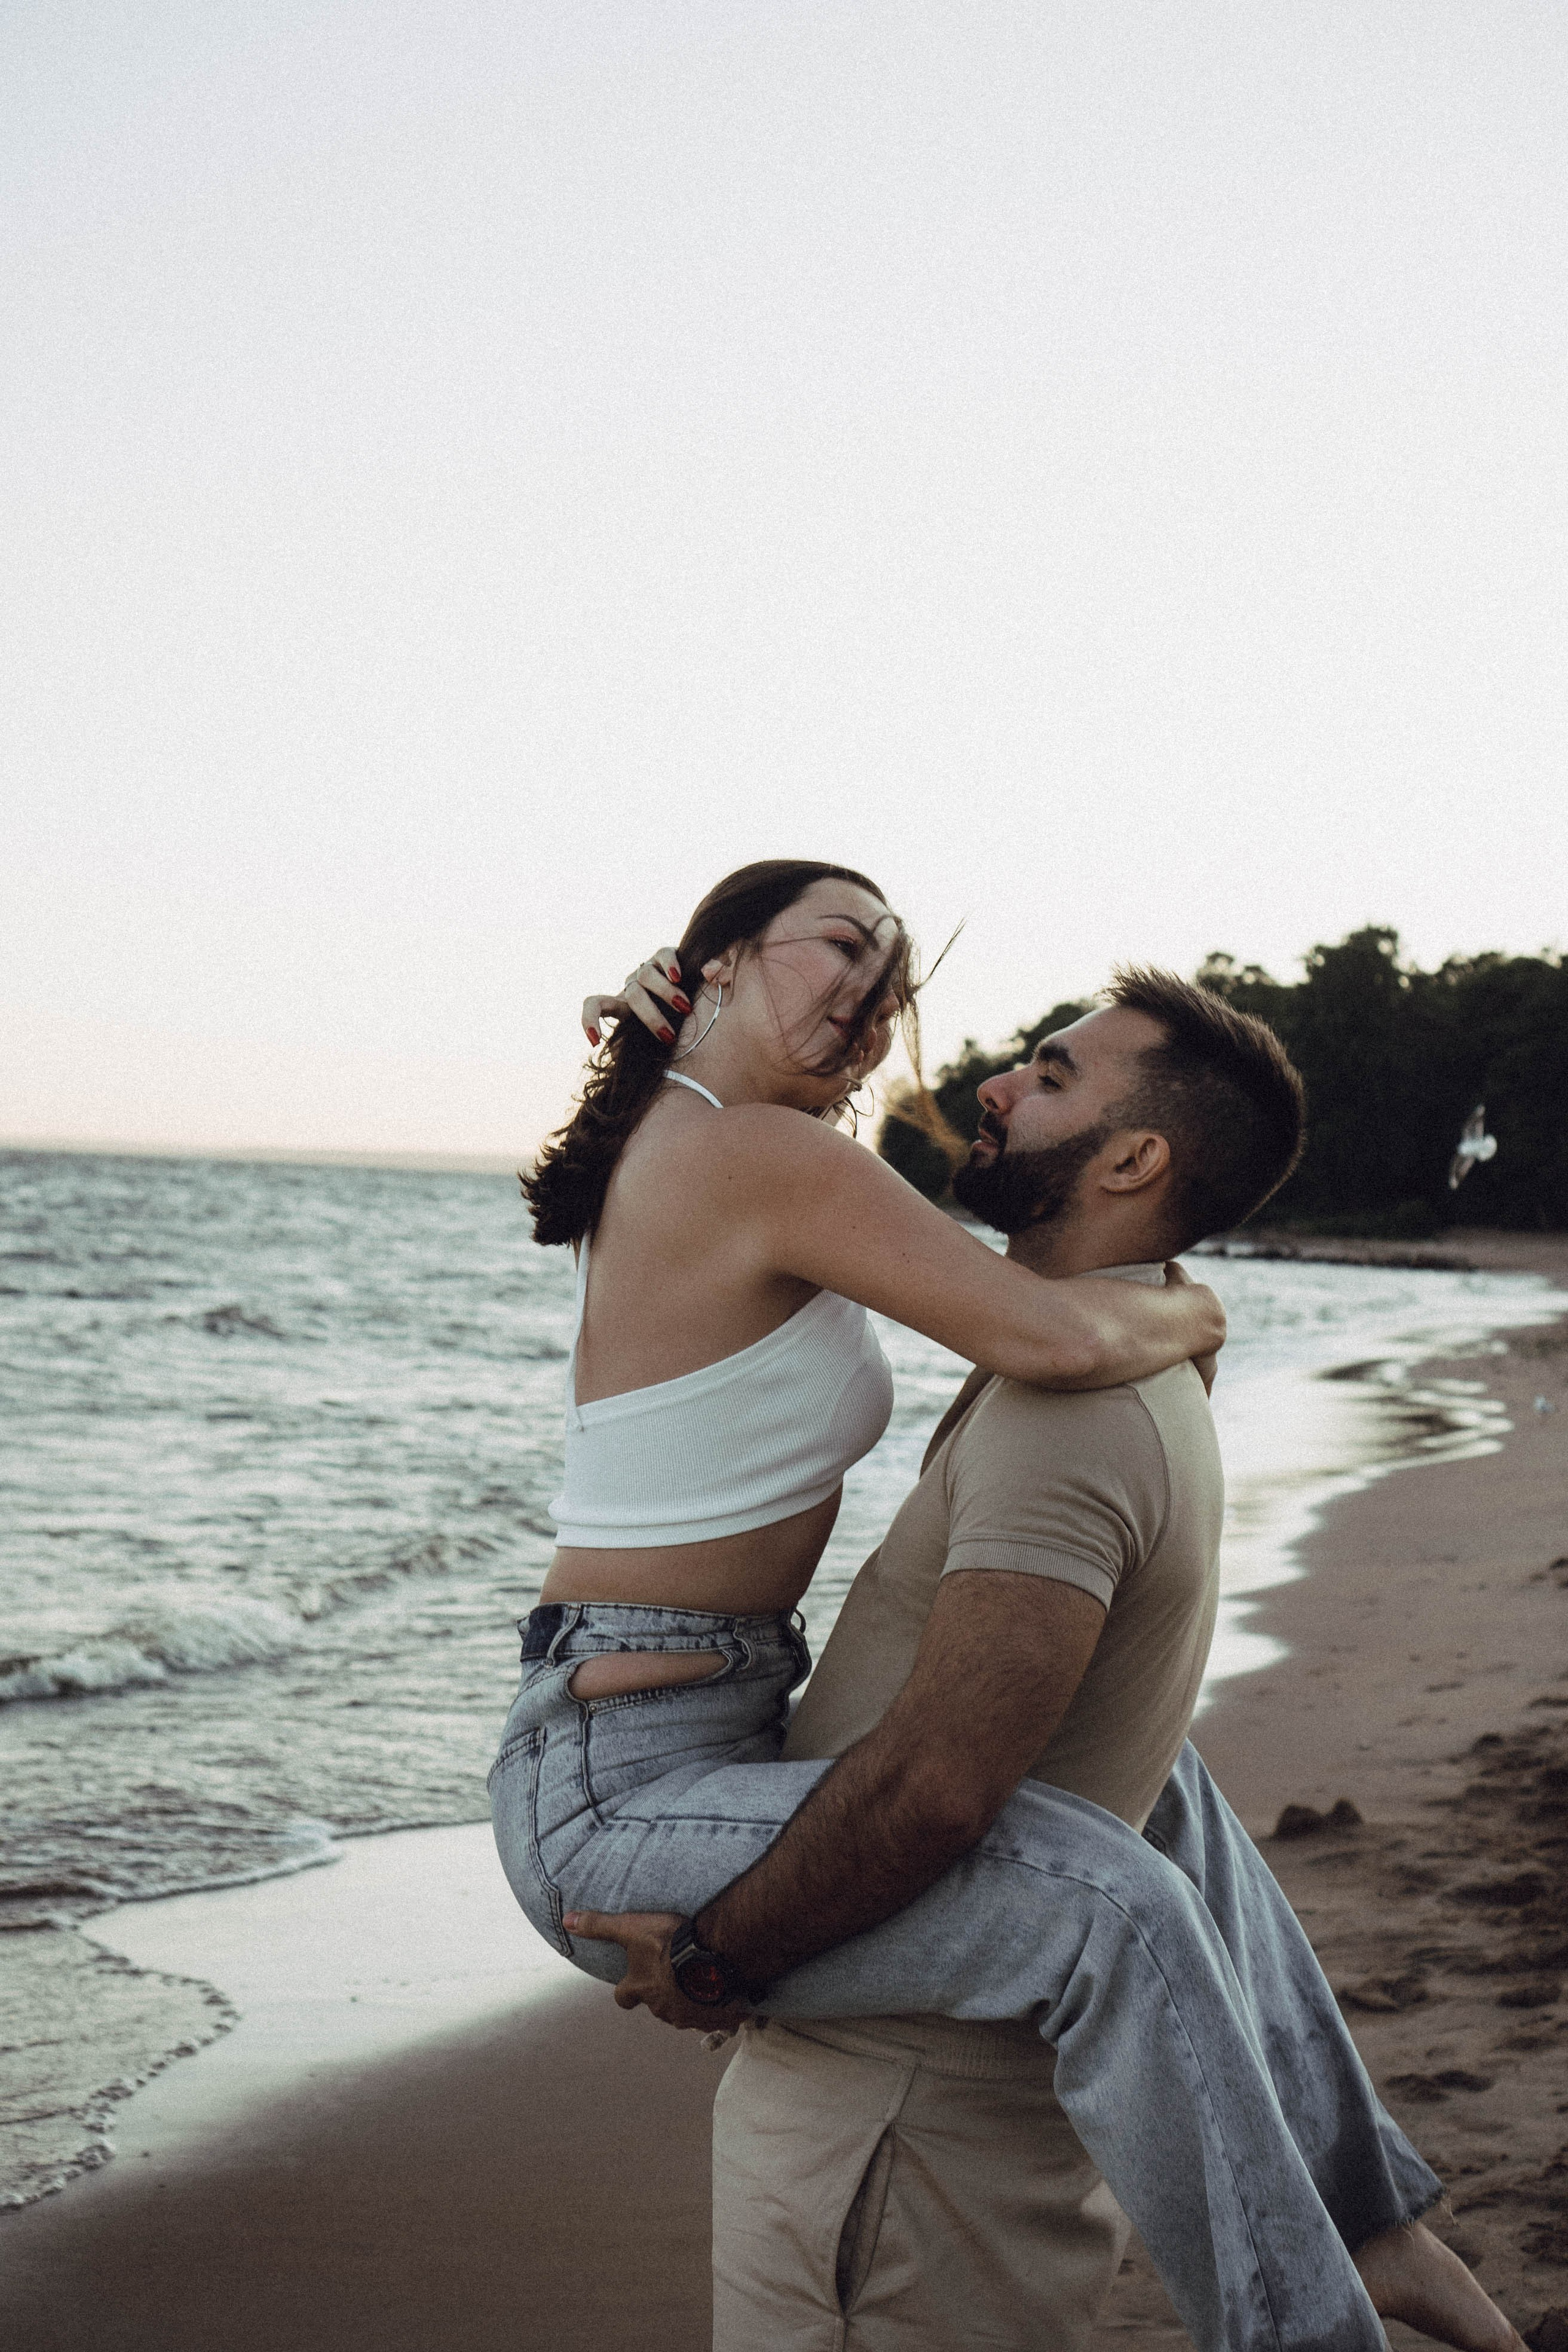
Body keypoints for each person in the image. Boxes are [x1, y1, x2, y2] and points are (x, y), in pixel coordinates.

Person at [490, 861, 1504, 2350]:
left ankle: (1371, 2226)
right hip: (612, 1787)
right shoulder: (748, 1151)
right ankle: (1315, 2319)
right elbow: (1038, 1330)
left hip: (699, 1717)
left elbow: (1016, 1312)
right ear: (709, 962)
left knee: (1161, 1793)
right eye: (839, 944)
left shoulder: (731, 1139)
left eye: (888, 976)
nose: (869, 989)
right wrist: (1196, 1305)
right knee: (1118, 1905)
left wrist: (679, 1018)